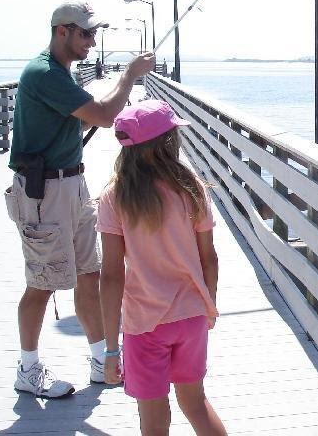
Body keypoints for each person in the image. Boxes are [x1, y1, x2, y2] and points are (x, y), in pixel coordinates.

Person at [5, 0, 155, 398]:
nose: (92, 40)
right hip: (44, 193)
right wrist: (129, 76)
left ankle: (99, 360)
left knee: (89, 275)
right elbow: (105, 116)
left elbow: (93, 114)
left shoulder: (61, 73)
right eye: (86, 33)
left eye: (94, 33)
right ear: (62, 32)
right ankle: (27, 368)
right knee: (42, 283)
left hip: (71, 184)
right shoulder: (43, 74)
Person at [98, 100, 226, 436]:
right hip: (191, 314)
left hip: (145, 323)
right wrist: (208, 304)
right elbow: (209, 257)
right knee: (195, 404)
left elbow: (111, 275)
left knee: (154, 420)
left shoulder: (115, 197)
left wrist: (111, 348)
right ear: (168, 142)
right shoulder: (191, 187)